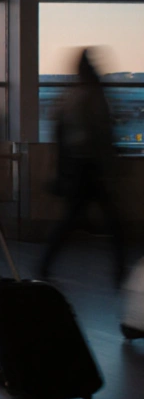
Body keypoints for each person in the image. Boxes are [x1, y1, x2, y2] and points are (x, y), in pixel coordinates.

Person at [40, 48, 126, 286]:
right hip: (93, 169)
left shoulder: (71, 97)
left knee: (70, 220)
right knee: (112, 222)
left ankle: (45, 264)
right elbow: (102, 133)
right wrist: (111, 166)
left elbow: (59, 131)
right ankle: (120, 269)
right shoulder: (95, 95)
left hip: (77, 168)